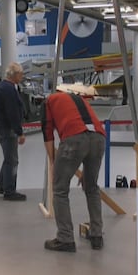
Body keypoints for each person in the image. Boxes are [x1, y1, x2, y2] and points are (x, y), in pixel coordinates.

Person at [41, 90, 106, 252]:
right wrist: (86, 169)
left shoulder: (48, 102)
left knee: (60, 189)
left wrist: (53, 162)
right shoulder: (78, 98)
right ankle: (97, 235)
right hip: (98, 138)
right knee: (91, 187)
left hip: (73, 139)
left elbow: (47, 133)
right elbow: (87, 129)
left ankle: (65, 238)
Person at [0, 62, 27, 201]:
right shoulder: (8, 89)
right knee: (12, 160)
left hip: (1, 127)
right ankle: (9, 191)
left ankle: (1, 185)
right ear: (15, 75)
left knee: (8, 158)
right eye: (21, 74)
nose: (22, 76)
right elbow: (12, 112)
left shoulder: (3, 87)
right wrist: (19, 132)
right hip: (8, 129)